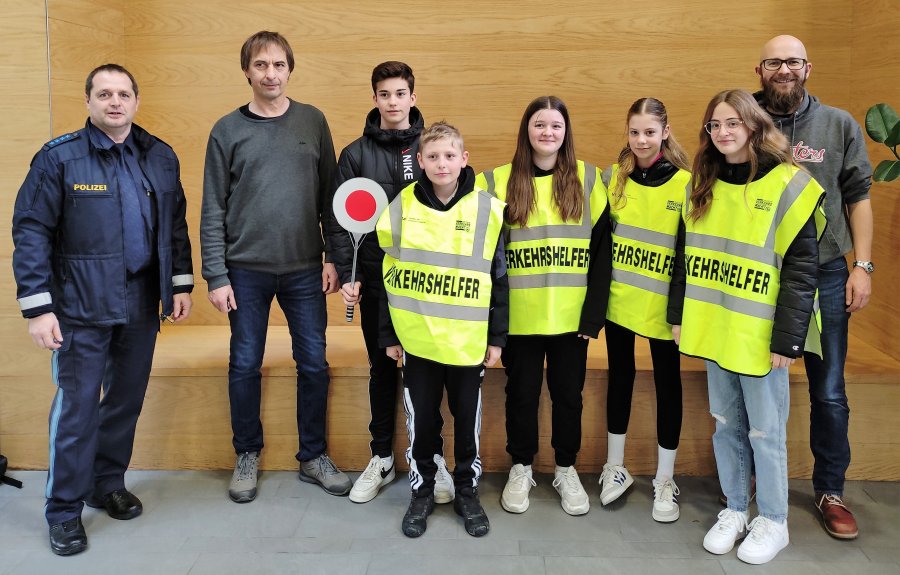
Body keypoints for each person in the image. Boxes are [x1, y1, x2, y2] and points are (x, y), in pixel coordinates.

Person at [12, 63, 194, 556]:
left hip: (140, 302)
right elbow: (31, 230)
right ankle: (63, 511)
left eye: (123, 94)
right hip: (80, 305)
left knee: (125, 400)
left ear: (136, 100)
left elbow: (174, 225)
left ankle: (106, 483)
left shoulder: (159, 155)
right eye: (105, 94)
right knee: (77, 409)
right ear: (88, 101)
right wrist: (38, 308)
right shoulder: (59, 158)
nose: (115, 102)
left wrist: (179, 283)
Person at [669, 89, 824, 565]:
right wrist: (678, 316)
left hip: (762, 336)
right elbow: (684, 256)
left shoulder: (789, 184)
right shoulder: (702, 183)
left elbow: (802, 270)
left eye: (733, 122)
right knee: (725, 425)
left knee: (765, 432)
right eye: (714, 125)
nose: (723, 132)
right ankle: (736, 509)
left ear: (755, 126)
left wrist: (789, 339)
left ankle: (774, 521)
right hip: (716, 327)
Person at [201, 31, 350, 503]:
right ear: (246, 70)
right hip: (244, 271)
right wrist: (216, 275)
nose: (271, 73)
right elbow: (212, 207)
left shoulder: (313, 121)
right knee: (245, 363)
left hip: (306, 269)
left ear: (290, 69)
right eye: (261, 65)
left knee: (314, 363)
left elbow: (331, 197)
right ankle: (246, 453)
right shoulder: (226, 130)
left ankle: (313, 455)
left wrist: (334, 257)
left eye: (279, 64)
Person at [754, 35, 873, 540]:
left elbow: (858, 197)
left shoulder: (838, 124)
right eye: (774, 62)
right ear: (759, 70)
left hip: (825, 272)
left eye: (793, 61)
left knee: (828, 390)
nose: (784, 69)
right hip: (761, 273)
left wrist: (861, 265)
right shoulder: (743, 119)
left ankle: (830, 490)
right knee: (755, 381)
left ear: (808, 68)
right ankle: (755, 482)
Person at [476, 96, 611, 516]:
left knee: (569, 397)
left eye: (555, 125)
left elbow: (603, 254)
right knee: (521, 395)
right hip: (519, 319)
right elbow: (483, 255)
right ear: (527, 130)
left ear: (566, 132)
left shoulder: (589, 179)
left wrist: (593, 316)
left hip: (572, 319)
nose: (547, 132)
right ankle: (521, 467)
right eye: (539, 124)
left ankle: (566, 468)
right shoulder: (496, 181)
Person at [328, 61, 452, 505]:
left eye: (401, 93)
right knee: (381, 370)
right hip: (379, 287)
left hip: (427, 287)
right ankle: (381, 457)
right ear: (375, 98)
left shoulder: (433, 148)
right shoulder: (354, 155)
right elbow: (340, 223)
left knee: (429, 372)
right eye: (385, 94)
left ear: (412, 98)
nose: (393, 101)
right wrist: (351, 274)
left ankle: (432, 458)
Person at [376, 122, 508, 538]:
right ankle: (422, 491)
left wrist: (497, 338)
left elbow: (499, 280)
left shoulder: (488, 209)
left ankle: (467, 491)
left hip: (467, 344)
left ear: (464, 159)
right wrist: (388, 335)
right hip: (418, 342)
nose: (442, 163)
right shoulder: (400, 208)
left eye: (450, 155)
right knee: (423, 425)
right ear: (420, 161)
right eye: (432, 156)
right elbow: (387, 277)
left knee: (467, 422)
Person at [598, 97, 690, 522]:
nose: (641, 140)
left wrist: (679, 313)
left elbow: (687, 255)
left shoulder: (687, 184)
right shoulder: (614, 179)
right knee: (620, 378)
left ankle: (665, 479)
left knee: (669, 386)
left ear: (665, 132)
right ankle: (615, 467)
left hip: (663, 311)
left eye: (650, 132)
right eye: (634, 132)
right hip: (620, 303)